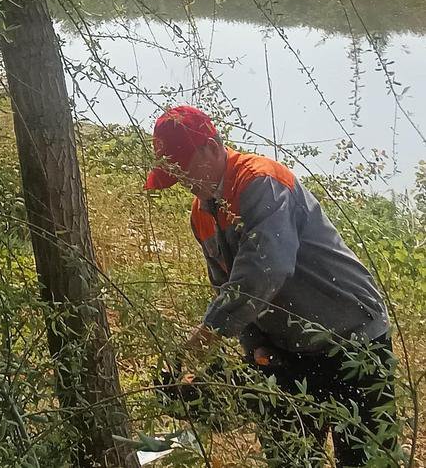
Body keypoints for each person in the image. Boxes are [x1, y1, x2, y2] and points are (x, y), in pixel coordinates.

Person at [147, 104, 401, 467]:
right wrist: (255, 346)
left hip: (352, 339)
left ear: (211, 147)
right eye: (172, 173)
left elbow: (265, 270)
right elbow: (227, 286)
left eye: (183, 167)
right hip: (288, 349)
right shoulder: (201, 215)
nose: (182, 180)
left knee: (366, 459)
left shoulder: (261, 181)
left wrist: (205, 337)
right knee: (289, 458)